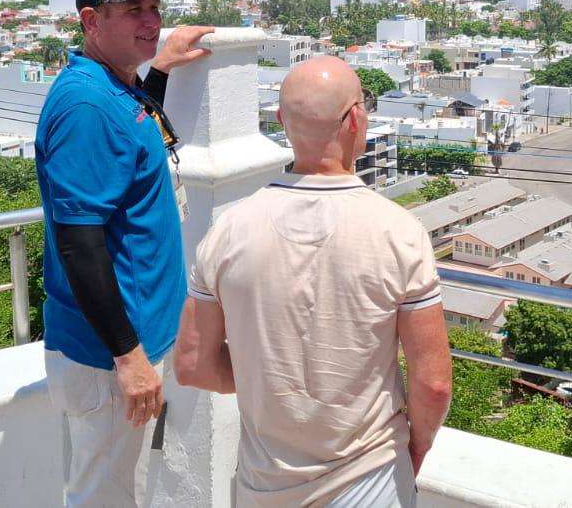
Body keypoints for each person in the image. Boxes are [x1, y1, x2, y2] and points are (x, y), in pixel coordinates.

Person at [175, 56, 452, 507]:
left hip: (263, 483)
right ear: (356, 119)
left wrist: (268, 379)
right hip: (371, 478)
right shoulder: (397, 231)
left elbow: (193, 365)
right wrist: (417, 446)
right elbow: (433, 383)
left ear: (282, 121)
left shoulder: (229, 230)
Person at [35, 0, 214, 508]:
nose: (151, 20)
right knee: (101, 497)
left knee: (123, 489)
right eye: (133, 9)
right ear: (91, 21)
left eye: (154, 7)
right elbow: (79, 245)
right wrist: (129, 358)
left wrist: (157, 68)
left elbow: (133, 134)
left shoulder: (117, 86)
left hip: (132, 343)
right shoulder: (86, 104)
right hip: (107, 358)